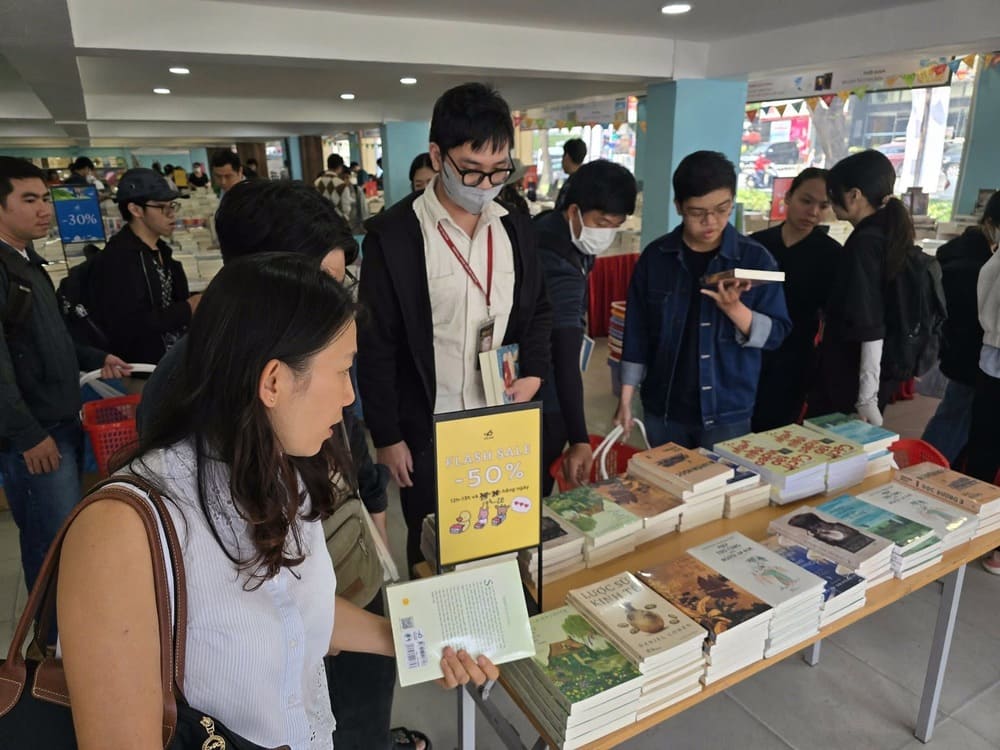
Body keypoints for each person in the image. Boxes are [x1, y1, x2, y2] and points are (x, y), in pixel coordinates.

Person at [57, 253, 498, 750]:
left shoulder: (282, 470)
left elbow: (294, 608)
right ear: (273, 382)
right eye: (342, 372)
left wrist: (415, 640)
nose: (350, 397)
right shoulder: (122, 532)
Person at [137, 178, 417, 749]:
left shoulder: (290, 452)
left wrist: (398, 628)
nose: (346, 398)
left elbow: (303, 605)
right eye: (322, 287)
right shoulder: (151, 506)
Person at [358, 82, 552, 571]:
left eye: (499, 172)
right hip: (429, 427)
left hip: (499, 421)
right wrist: (387, 435)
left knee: (501, 538)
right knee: (432, 546)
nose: (486, 186)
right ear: (437, 154)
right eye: (471, 171)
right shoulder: (395, 236)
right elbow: (376, 343)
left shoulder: (513, 222)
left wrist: (533, 370)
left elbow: (539, 309)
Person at [0, 156, 129, 591]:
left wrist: (98, 357)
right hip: (36, 436)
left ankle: (60, 636)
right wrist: (27, 434)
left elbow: (52, 340)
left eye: (45, 198)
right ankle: (49, 644)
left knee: (65, 537)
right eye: (29, 199)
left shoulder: (28, 265)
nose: (44, 209)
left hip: (59, 424)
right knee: (50, 543)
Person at [615, 150, 790, 450]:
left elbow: (776, 334)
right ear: (679, 207)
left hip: (727, 411)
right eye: (698, 213)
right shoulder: (656, 258)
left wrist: (735, 309)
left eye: (722, 209)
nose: (711, 221)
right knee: (667, 491)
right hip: (664, 408)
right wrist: (625, 399)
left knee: (724, 494)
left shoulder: (755, 258)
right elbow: (636, 332)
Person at [536, 160, 637, 493]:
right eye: (602, 222)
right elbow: (564, 357)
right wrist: (579, 437)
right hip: (541, 398)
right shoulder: (557, 260)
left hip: (531, 383)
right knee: (532, 493)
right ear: (575, 210)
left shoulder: (552, 229)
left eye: (616, 225)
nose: (606, 233)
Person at [807, 149, 918, 425]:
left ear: (855, 195)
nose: (830, 204)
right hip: (878, 369)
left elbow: (870, 323)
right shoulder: (888, 234)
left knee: (829, 451)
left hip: (851, 374)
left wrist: (866, 396)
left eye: (833, 194)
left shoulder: (864, 244)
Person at [750, 168, 840, 431]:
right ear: (788, 198)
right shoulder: (756, 246)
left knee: (777, 432)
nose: (813, 212)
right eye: (806, 201)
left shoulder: (831, 255)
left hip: (795, 358)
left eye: (823, 205)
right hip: (751, 350)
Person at [88, 168, 197, 364]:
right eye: (162, 207)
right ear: (136, 210)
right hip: (142, 368)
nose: (171, 214)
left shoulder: (162, 251)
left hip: (172, 360)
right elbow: (128, 325)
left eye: (173, 206)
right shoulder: (118, 259)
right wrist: (187, 308)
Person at [922, 191, 999, 464]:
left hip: (962, 355)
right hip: (975, 359)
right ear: (990, 222)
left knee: (956, 417)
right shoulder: (980, 265)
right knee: (955, 421)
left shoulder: (957, 253)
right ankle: (924, 471)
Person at [316, 153, 369, 234]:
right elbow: (346, 210)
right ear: (340, 167)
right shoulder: (341, 185)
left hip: (321, 225)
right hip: (338, 226)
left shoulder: (317, 182)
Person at [555, 137, 586, 209]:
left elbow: (560, 210)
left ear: (566, 157)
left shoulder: (570, 184)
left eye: (562, 156)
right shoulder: (587, 179)